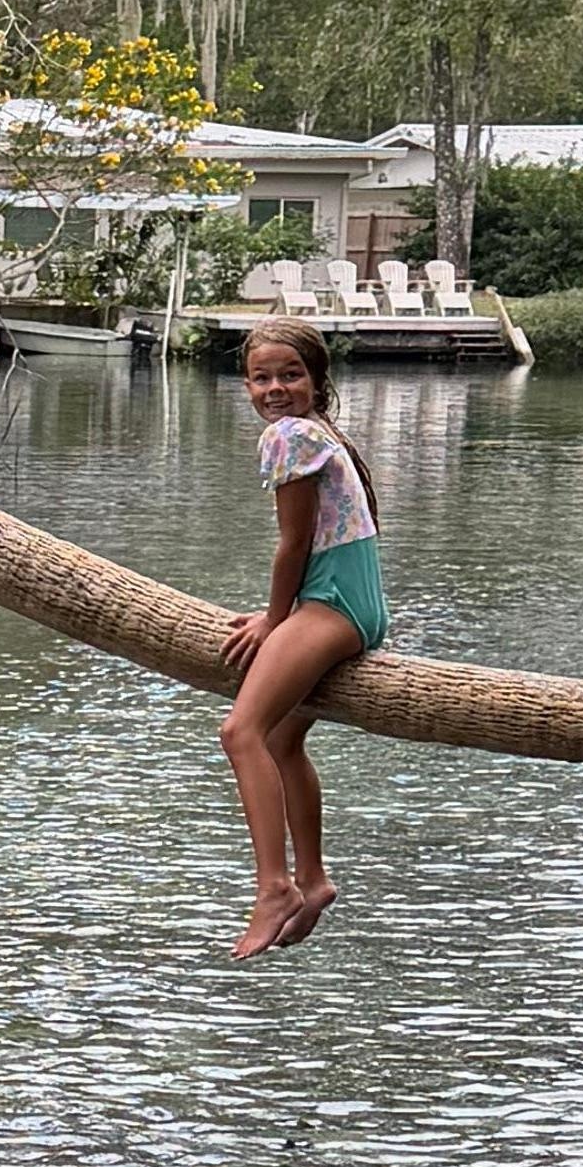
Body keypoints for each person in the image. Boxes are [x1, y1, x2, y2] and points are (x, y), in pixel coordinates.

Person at [222, 310, 388, 959]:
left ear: (317, 381)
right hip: (358, 603)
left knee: (240, 733)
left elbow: (291, 546)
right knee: (284, 740)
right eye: (260, 378)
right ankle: (314, 880)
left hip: (330, 606)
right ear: (244, 386)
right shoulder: (320, 433)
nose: (274, 389)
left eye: (290, 375)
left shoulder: (289, 437)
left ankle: (274, 888)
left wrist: (273, 620)